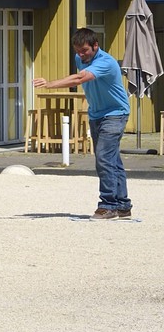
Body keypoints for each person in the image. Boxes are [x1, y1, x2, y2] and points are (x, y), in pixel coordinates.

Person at [34, 27, 132, 220]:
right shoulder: (81, 59)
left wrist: (50, 84)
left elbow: (80, 78)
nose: (80, 55)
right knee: (112, 160)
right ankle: (123, 205)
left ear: (96, 46)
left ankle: (108, 205)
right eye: (77, 51)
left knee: (103, 158)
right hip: (96, 114)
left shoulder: (106, 62)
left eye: (85, 50)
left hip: (115, 113)